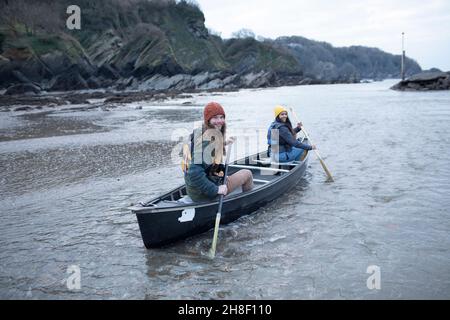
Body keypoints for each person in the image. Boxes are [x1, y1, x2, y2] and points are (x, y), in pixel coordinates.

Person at [183, 102, 254, 202]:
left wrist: (224, 143)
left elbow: (202, 153)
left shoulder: (200, 132)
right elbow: (193, 173)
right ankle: (248, 203)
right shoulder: (207, 142)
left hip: (194, 190)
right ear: (208, 119)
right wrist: (216, 189)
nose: (220, 121)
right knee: (247, 173)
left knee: (224, 171)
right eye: (215, 117)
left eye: (222, 117)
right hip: (204, 194)